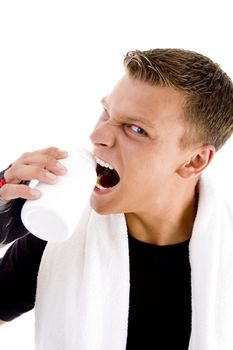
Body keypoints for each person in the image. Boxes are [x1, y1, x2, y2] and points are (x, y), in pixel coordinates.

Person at [0, 48, 233, 349]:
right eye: (107, 113)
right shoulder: (62, 236)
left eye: (136, 129)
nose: (98, 135)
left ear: (194, 161)